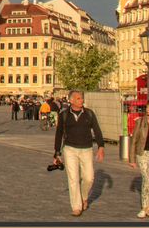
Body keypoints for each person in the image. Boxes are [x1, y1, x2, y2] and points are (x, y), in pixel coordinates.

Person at [53, 89, 106, 217]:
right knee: (73, 179)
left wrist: (101, 146)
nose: (81, 100)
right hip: (70, 149)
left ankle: (84, 196)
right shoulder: (64, 115)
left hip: (86, 149)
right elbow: (59, 133)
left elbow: (97, 130)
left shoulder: (89, 114)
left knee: (89, 177)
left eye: (81, 98)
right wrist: (57, 153)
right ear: (71, 100)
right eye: (78, 98)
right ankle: (76, 206)